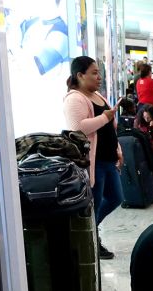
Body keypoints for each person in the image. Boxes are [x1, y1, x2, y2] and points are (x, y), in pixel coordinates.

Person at [63, 56, 123, 260]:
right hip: (92, 162)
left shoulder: (98, 95)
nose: (99, 77)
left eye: (99, 72)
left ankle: (91, 230)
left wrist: (118, 149)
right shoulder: (74, 99)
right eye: (94, 73)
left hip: (108, 160)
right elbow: (78, 127)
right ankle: (90, 239)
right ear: (80, 75)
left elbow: (110, 128)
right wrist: (105, 116)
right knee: (94, 203)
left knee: (116, 197)